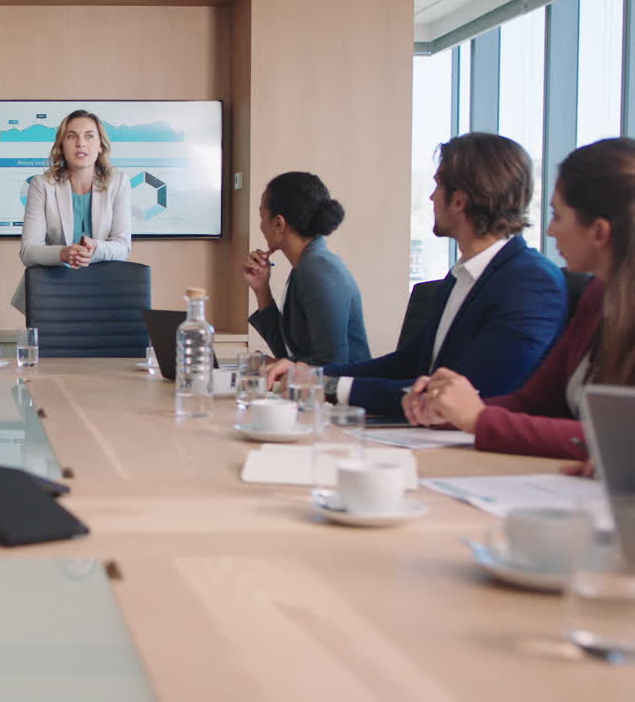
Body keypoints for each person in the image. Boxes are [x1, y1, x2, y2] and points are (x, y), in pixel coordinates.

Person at [266, 133, 568, 417]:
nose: (431, 198)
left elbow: (472, 393)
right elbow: (409, 362)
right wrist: (315, 376)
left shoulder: (530, 282)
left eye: (437, 186)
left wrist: (329, 386)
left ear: (459, 201)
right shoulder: (461, 277)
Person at [404, 138, 635, 473]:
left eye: (557, 215)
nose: (550, 230)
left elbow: (620, 442)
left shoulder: (536, 281)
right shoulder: (598, 296)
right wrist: (449, 412)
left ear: (599, 232)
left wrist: (479, 419)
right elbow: (534, 402)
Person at [242, 172, 370, 366]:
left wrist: (276, 365)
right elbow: (285, 351)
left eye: (262, 216)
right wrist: (261, 289)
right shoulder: (306, 265)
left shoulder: (319, 270)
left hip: (342, 393)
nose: (261, 225)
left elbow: (332, 364)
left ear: (278, 223)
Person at [12, 109, 131, 313]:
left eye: (89, 136)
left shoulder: (118, 182)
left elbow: (123, 247)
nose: (81, 143)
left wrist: (96, 248)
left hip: (102, 293)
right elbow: (28, 251)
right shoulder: (42, 185)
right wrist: (63, 253)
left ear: (100, 146)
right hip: (50, 295)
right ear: (61, 146)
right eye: (71, 136)